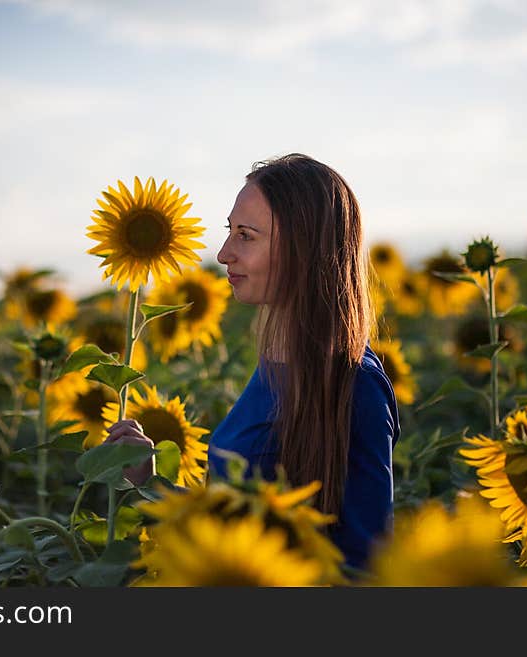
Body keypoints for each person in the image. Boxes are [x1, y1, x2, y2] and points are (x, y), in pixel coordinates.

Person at [105, 153, 400, 573]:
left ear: (303, 247)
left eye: (246, 235)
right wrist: (147, 482)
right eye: (230, 232)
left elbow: (365, 566)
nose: (224, 253)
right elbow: (236, 528)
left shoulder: (353, 384)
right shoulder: (277, 364)